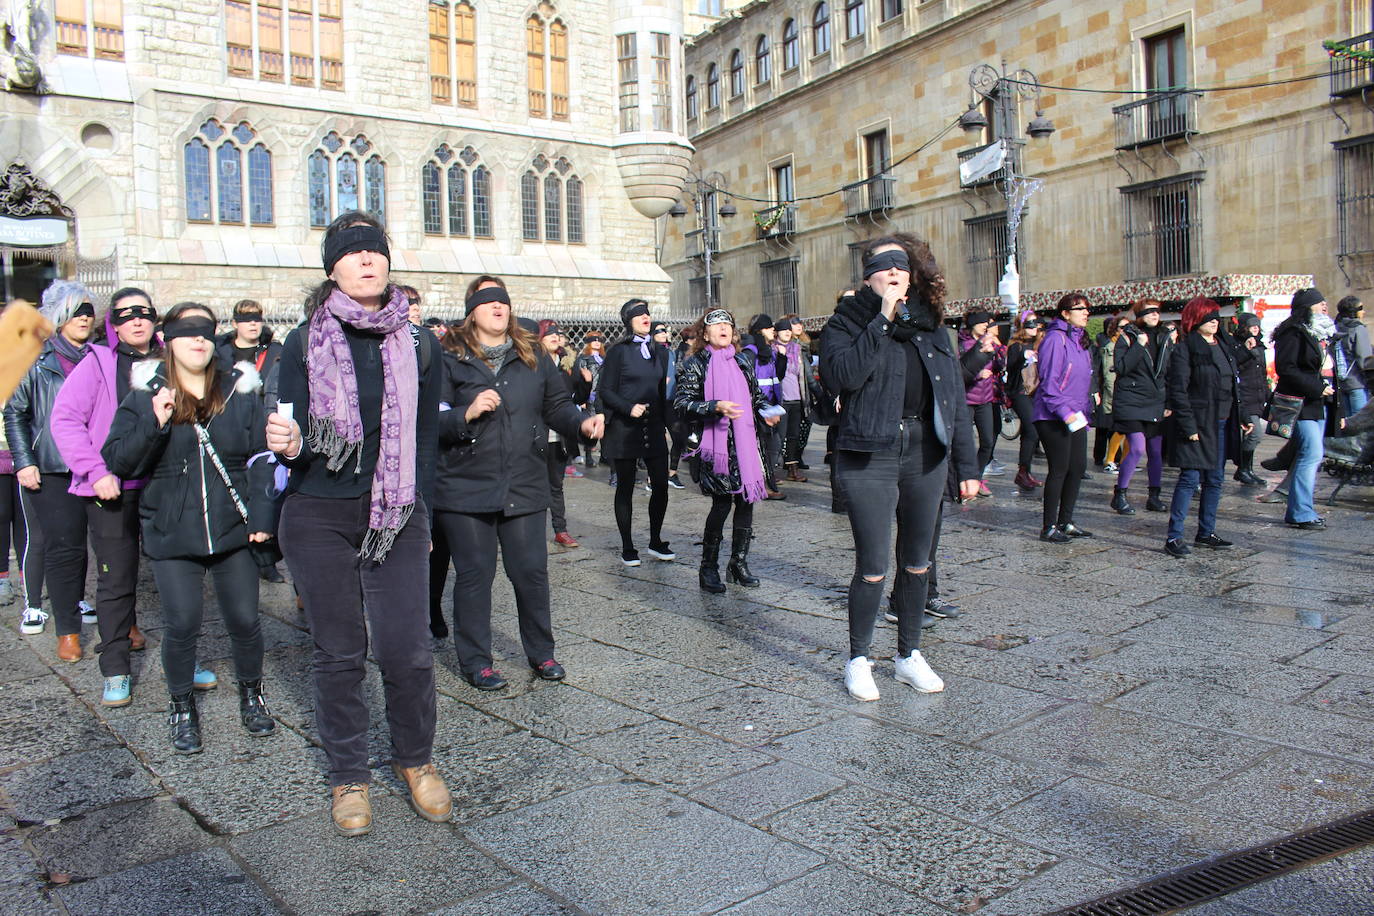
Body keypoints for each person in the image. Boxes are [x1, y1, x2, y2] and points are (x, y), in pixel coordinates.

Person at [264, 211, 448, 836]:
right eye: (352, 252)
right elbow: (291, 432)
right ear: (332, 269)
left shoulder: (419, 344)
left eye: (375, 250)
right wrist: (291, 445)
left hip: (395, 510)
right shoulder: (304, 341)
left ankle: (415, 759)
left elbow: (425, 440)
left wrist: (421, 510)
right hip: (319, 511)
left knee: (408, 649)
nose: (367, 260)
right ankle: (348, 774)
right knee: (339, 651)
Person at [102, 303, 277, 745]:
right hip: (172, 530)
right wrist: (155, 422)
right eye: (186, 330)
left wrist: (263, 515)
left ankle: (252, 695)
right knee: (182, 624)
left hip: (233, 529)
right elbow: (118, 461)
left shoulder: (239, 390)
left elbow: (262, 457)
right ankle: (181, 707)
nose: (198, 339)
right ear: (169, 340)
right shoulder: (146, 394)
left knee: (245, 619)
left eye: (205, 330)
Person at [820, 234, 979, 702]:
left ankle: (909, 654)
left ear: (912, 275)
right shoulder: (845, 323)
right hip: (869, 453)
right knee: (872, 565)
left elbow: (953, 399)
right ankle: (859, 659)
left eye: (901, 265)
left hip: (925, 453)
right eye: (883, 265)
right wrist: (883, 318)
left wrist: (967, 465)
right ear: (867, 277)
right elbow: (844, 377)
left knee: (917, 561)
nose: (893, 271)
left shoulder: (932, 327)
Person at [433, 284, 601, 690]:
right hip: (465, 486)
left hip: (524, 480)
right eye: (488, 302)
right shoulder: (449, 356)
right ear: (472, 312)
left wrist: (581, 423)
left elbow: (556, 406)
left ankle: (542, 653)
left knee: (530, 573)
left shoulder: (533, 355)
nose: (498, 307)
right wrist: (466, 413)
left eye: (503, 302)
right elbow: (431, 420)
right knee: (474, 576)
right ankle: (477, 662)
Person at [49, 289, 161, 702]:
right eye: (126, 314)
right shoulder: (96, 362)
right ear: (113, 324)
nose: (137, 320)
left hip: (165, 485)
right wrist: (95, 471)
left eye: (144, 312)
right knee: (116, 579)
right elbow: (65, 420)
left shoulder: (171, 360)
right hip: (112, 488)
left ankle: (184, 659)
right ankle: (115, 667)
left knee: (177, 577)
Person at [4, 281, 98, 652]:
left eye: (88, 311)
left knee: (97, 545)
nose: (84, 319)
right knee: (62, 545)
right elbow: (16, 413)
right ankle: (67, 630)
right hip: (52, 465)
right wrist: (24, 462)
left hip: (95, 463)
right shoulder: (36, 359)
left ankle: (89, 605)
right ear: (59, 315)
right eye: (76, 311)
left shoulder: (99, 357)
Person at [673, 308, 779, 592]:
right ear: (705, 333)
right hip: (717, 447)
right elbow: (681, 404)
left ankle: (738, 563)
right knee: (721, 505)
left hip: (745, 443)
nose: (723, 328)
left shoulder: (742, 360)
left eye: (728, 324)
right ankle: (708, 568)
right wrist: (714, 406)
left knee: (746, 502)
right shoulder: (696, 363)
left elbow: (755, 397)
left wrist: (767, 411)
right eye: (717, 324)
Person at [1163, 298, 1247, 556]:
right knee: (1190, 478)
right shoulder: (1185, 349)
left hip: (1222, 420)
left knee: (1215, 479)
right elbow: (1178, 390)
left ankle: (1206, 532)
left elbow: (1233, 385)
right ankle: (1174, 537)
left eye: (1216, 316)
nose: (1214, 321)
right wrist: (1189, 426)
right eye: (1208, 317)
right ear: (1195, 319)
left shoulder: (1223, 345)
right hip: (1198, 422)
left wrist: (1242, 417)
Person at [215, 298, 286, 583]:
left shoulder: (275, 351)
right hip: (232, 425)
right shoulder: (221, 353)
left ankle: (266, 558)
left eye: (257, 318)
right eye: (246, 319)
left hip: (265, 425)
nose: (253, 324)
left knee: (266, 491)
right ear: (235, 323)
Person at [598, 298, 673, 566]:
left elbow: (663, 393)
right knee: (626, 487)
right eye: (639, 314)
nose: (645, 317)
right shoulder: (618, 352)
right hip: (624, 428)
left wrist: (674, 427)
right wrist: (628, 407)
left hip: (653, 427)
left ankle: (655, 541)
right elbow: (605, 390)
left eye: (647, 313)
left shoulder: (660, 352)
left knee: (661, 485)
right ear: (628, 321)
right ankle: (628, 546)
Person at [1272, 288, 1339, 530]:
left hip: (1319, 402)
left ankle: (1298, 509)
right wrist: (1317, 387)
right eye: (1318, 303)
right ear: (1306, 307)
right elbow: (1286, 368)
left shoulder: (1322, 331)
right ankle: (1301, 512)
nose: (1324, 306)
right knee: (1311, 453)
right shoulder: (1293, 331)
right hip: (1300, 401)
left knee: (1310, 454)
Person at [1033, 294, 1096, 543]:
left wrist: (1084, 411)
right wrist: (1064, 412)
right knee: (1059, 469)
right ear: (1065, 313)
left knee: (1077, 468)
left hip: (1076, 414)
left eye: (1087, 309)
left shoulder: (1080, 340)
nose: (1086, 312)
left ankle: (1065, 522)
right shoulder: (1055, 339)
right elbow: (1049, 382)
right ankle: (1048, 526)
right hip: (1052, 415)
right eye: (1080, 308)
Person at [1111, 299, 1174, 514]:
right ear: (1139, 315)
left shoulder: (1165, 337)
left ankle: (1154, 496)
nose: (1155, 315)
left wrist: (1169, 401)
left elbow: (1170, 371)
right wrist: (1138, 345)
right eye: (1149, 311)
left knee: (1155, 451)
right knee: (1137, 448)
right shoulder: (1128, 337)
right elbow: (1121, 367)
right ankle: (1120, 494)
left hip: (1156, 400)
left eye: (1157, 311)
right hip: (1131, 400)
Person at [539, 319, 582, 547]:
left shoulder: (568, 364)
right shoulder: (531, 364)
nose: (555, 337)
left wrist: (586, 383)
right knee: (533, 486)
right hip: (536, 435)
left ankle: (560, 530)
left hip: (559, 436)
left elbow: (576, 398)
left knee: (556, 485)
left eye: (557, 334)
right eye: (549, 334)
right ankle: (529, 531)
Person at [958, 310, 1003, 497]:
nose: (986, 325)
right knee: (964, 442)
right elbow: (958, 372)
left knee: (988, 442)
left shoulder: (989, 342)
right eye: (982, 322)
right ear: (972, 324)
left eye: (987, 322)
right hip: (967, 400)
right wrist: (978, 375)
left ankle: (976, 478)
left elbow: (1000, 366)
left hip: (985, 400)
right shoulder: (962, 344)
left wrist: (998, 351)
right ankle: (962, 480)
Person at [744, 314, 785, 495]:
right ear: (760, 330)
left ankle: (766, 482)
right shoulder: (751, 352)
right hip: (757, 408)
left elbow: (776, 377)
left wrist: (782, 358)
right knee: (761, 448)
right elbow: (749, 383)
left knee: (772, 446)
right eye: (769, 327)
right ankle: (762, 485)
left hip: (769, 407)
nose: (773, 330)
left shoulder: (769, 351)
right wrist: (761, 409)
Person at [1004, 310, 1044, 491]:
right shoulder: (1017, 346)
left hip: (1035, 391)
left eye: (1037, 323)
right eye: (1031, 323)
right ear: (1022, 326)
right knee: (1031, 428)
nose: (1035, 327)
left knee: (1032, 431)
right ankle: (1022, 472)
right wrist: (1023, 357)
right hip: (1019, 392)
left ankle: (1025, 471)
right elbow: (1011, 368)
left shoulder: (1038, 343)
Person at [1230, 313, 1269, 487]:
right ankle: (1242, 469)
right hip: (1245, 396)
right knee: (1255, 435)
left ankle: (1248, 470)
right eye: (1251, 325)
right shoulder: (1236, 344)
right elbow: (1235, 367)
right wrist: (1246, 350)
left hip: (1257, 395)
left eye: (1257, 325)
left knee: (1252, 434)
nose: (1255, 328)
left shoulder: (1260, 345)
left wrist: (1266, 393)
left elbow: (1262, 372)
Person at [1092, 313, 1130, 473]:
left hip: (1124, 392)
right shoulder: (1110, 347)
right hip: (1112, 393)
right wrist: (1115, 396)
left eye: (1128, 327)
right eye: (1122, 327)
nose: (1126, 330)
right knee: (1111, 428)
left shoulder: (1129, 345)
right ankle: (1109, 460)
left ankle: (1120, 460)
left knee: (1121, 429)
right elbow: (1109, 376)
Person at [774, 318, 810, 482]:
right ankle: (772, 470)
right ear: (777, 333)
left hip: (797, 398)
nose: (788, 332)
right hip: (782, 399)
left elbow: (802, 375)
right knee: (780, 436)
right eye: (784, 330)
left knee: (794, 435)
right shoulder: (773, 349)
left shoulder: (797, 349)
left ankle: (792, 468)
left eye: (789, 330)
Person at [573, 330, 607, 468]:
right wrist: (582, 398)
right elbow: (578, 379)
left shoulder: (604, 358)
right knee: (591, 426)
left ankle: (605, 456)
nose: (597, 342)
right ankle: (588, 456)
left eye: (599, 340)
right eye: (594, 340)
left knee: (605, 426)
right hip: (590, 397)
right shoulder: (583, 359)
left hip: (603, 396)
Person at [1333, 295, 1370, 418]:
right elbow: (1364, 358)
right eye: (1361, 308)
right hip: (1357, 382)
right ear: (1354, 311)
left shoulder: (1335, 327)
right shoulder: (1358, 329)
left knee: (1346, 422)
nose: (1363, 311)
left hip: (1341, 383)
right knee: (1360, 420)